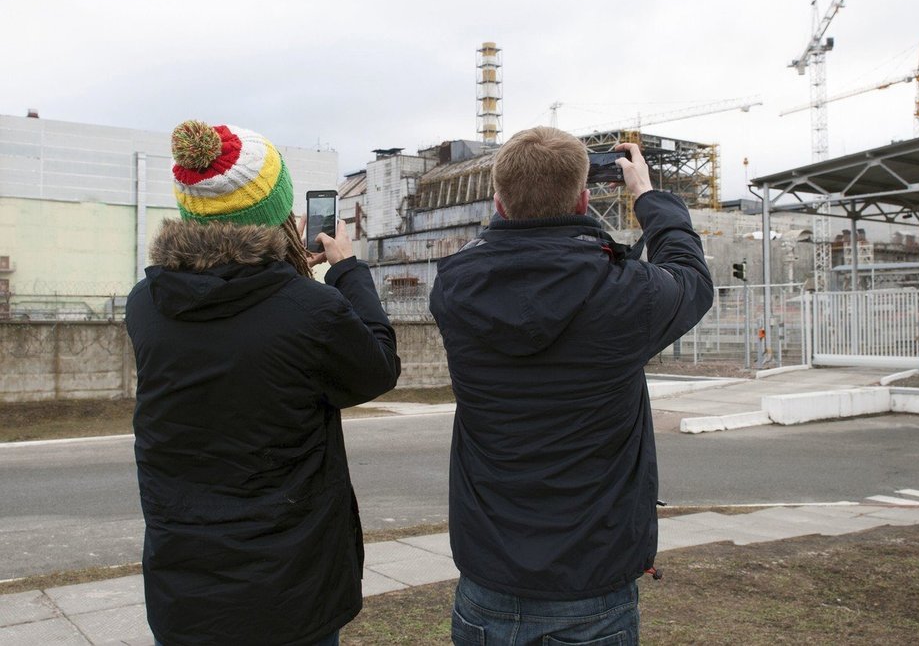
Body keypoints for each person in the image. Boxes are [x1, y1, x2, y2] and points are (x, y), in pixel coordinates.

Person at [429, 126, 713, 645]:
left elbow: (504, 253)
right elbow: (691, 277)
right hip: (591, 585)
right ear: (585, 199)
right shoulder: (624, 296)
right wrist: (646, 195)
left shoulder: (453, 289)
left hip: (486, 581)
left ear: (497, 203)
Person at [126, 120, 400, 646]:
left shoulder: (148, 304)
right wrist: (345, 272)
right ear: (278, 214)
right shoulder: (309, 309)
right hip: (289, 591)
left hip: (184, 584)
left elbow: (246, 324)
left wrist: (289, 277)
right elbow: (376, 367)